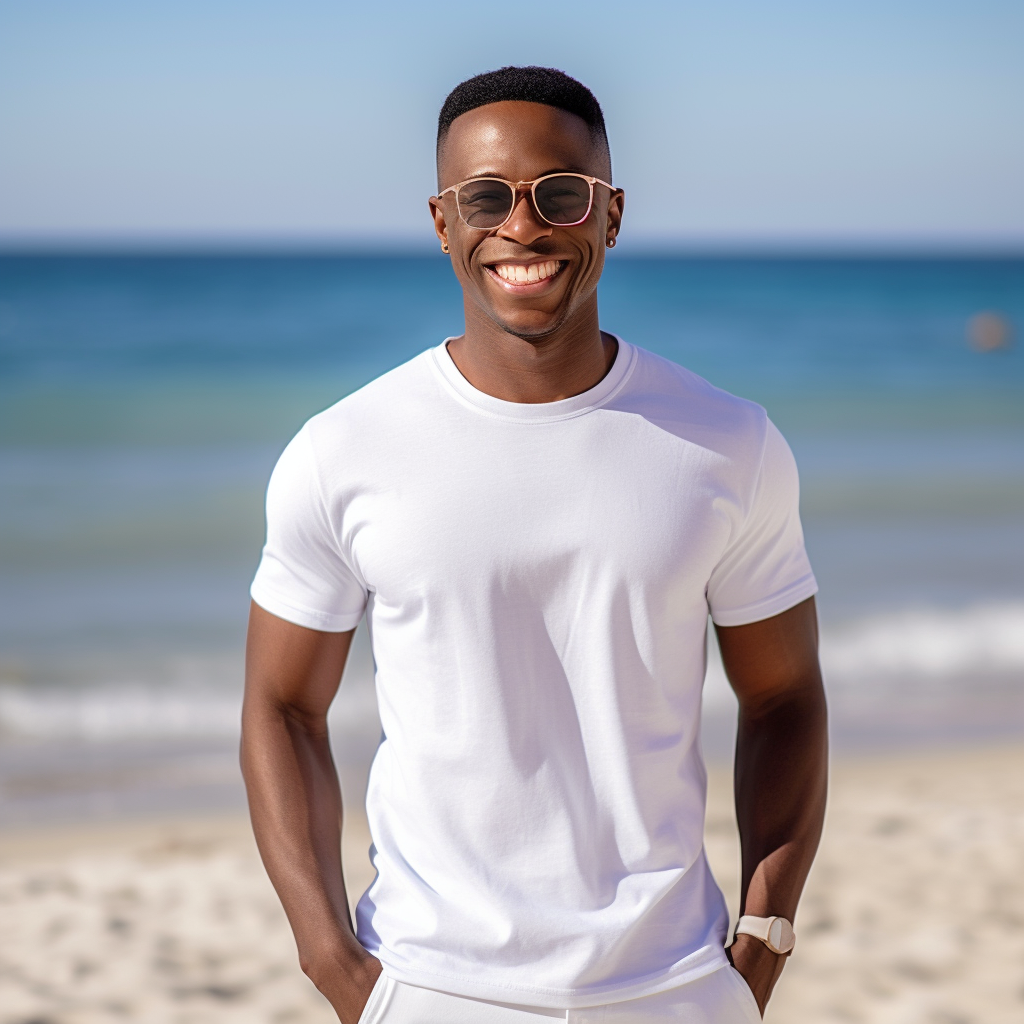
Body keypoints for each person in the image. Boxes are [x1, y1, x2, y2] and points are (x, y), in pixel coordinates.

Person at [241, 66, 827, 1024]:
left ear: (611, 214)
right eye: (484, 197)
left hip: (677, 987)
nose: (522, 227)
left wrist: (762, 937)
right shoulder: (342, 451)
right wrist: (330, 960)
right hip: (429, 987)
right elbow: (279, 706)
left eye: (561, 194)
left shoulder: (729, 443)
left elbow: (785, 694)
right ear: (441, 221)